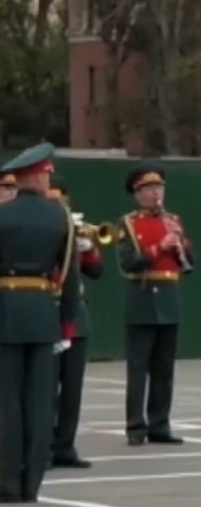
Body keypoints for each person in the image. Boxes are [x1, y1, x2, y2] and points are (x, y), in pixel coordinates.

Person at [0, 142, 82, 502]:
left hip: (6, 310)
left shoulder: (2, 215)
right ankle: (31, 482)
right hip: (44, 312)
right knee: (39, 401)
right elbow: (68, 273)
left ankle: (6, 480)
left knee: (7, 402)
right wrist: (67, 321)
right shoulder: (60, 216)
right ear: (37, 175)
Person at [115, 163, 193, 445]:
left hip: (169, 298)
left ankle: (160, 425)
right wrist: (158, 248)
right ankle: (136, 426)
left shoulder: (173, 220)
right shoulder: (128, 223)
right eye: (148, 189)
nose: (155, 194)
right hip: (143, 298)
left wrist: (181, 245)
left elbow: (189, 265)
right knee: (138, 369)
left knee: (164, 369)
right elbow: (127, 263)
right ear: (137, 193)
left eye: (158, 188)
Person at [47, 176, 104, 470]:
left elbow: (97, 271)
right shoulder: (39, 232)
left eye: (62, 201)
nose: (58, 205)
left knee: (72, 389)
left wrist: (87, 248)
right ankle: (43, 446)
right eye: (52, 199)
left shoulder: (76, 231)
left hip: (77, 316)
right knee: (44, 388)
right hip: (47, 313)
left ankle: (65, 446)